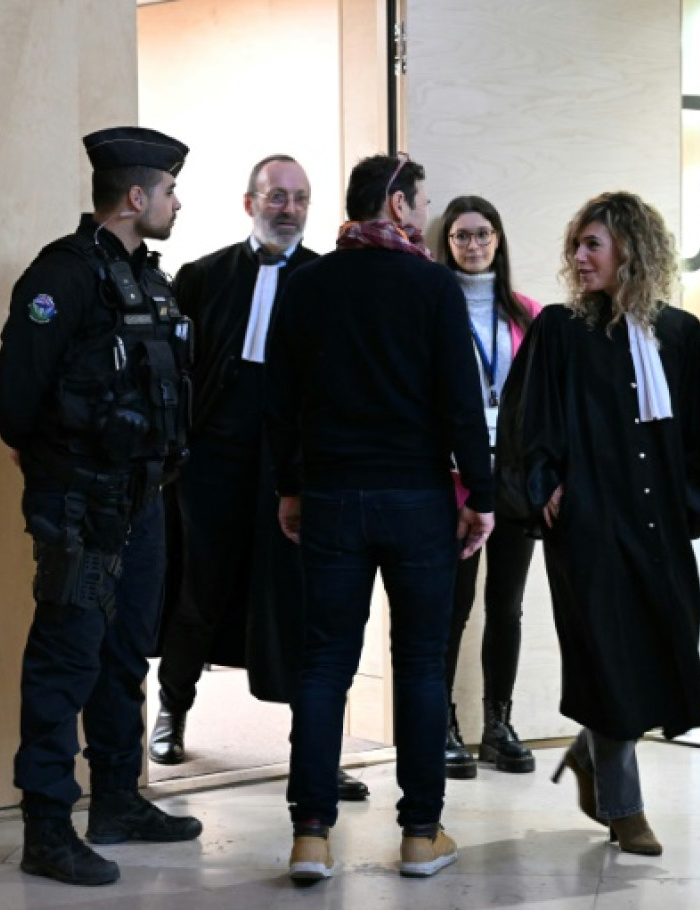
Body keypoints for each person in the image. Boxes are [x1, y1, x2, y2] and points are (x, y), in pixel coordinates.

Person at [495, 190, 700, 856]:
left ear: (631, 249)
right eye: (576, 244)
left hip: (657, 528)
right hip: (590, 526)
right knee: (608, 654)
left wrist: (694, 504)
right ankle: (625, 808)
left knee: (652, 649)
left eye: (593, 244)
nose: (578, 256)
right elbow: (525, 419)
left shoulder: (678, 334)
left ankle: (592, 756)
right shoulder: (561, 330)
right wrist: (542, 486)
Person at [265, 154, 495, 882]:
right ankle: (420, 835)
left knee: (324, 663)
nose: (424, 215)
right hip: (418, 502)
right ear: (396, 205)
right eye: (419, 202)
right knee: (422, 666)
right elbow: (462, 400)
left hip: (333, 496)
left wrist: (290, 488)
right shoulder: (429, 284)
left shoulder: (308, 284)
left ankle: (310, 837)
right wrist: (482, 497)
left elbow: (281, 401)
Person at [0, 126, 203, 887]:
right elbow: (13, 392)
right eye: (169, 191)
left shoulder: (145, 276)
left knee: (123, 653)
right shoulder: (64, 275)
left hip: (142, 502)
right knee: (66, 657)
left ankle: (118, 798)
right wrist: (47, 458)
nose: (177, 202)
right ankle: (47, 827)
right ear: (136, 197)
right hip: (81, 505)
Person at [150, 155, 370, 802]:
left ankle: (316, 752)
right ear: (250, 203)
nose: (289, 208)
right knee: (199, 586)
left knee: (305, 604)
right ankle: (172, 711)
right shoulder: (202, 275)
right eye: (277, 196)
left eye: (300, 198)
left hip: (293, 464)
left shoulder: (328, 281)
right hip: (214, 457)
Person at [436, 196, 544, 780]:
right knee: (452, 608)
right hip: (454, 481)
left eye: (482, 234)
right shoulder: (434, 307)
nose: (473, 245)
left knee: (507, 605)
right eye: (460, 236)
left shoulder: (529, 313)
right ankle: (442, 725)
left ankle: (497, 725)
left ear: (498, 240)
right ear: (446, 243)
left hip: (515, 479)